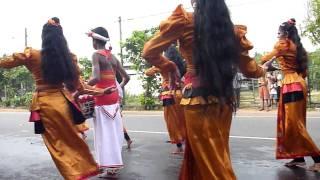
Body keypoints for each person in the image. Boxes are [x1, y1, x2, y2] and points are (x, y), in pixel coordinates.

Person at [142, 0, 266, 179]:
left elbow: (149, 51)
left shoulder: (185, 22)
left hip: (197, 100)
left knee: (211, 162)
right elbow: (250, 69)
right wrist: (264, 69)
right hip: (223, 100)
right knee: (216, 155)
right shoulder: (230, 30)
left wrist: (168, 66)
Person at [0, 17, 115, 179]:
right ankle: (86, 169)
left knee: (58, 147)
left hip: (45, 106)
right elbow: (81, 87)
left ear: (44, 37)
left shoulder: (32, 55)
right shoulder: (69, 58)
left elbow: (6, 62)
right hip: (64, 104)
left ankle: (72, 175)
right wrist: (102, 92)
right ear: (61, 38)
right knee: (73, 140)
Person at [261, 18, 320, 171]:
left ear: (286, 33)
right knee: (294, 123)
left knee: (294, 125)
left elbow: (264, 59)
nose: (277, 35)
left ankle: (318, 158)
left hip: (290, 86)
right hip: (299, 83)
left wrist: (271, 65)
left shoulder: (283, 44)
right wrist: (280, 68)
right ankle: (298, 157)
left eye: (279, 32)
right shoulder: (299, 47)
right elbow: (303, 71)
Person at [86, 27, 130, 176]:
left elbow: (96, 78)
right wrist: (118, 88)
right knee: (114, 132)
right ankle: (112, 166)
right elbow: (127, 78)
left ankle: (109, 167)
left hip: (102, 99)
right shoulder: (113, 57)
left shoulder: (96, 55)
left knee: (104, 135)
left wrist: (82, 87)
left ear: (94, 40)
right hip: (114, 100)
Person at [145, 44, 186, 154]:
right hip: (180, 94)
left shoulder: (164, 64)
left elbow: (147, 73)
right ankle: (186, 140)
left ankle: (179, 146)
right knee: (183, 120)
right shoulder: (181, 64)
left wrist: (154, 67)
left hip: (169, 95)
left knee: (172, 122)